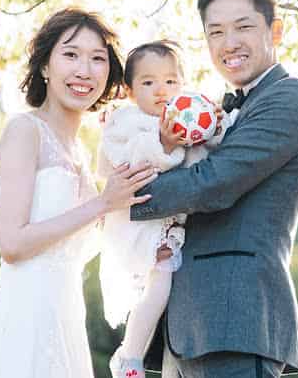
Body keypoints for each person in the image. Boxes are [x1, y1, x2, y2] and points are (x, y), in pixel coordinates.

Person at [131, 0, 298, 378]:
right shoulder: (217, 110)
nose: (229, 43)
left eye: (243, 27)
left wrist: (123, 198)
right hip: (188, 326)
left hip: (236, 321)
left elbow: (213, 184)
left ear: (275, 31)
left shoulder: (290, 96)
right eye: (216, 32)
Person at [0, 8, 159, 378]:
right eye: (71, 54)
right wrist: (103, 203)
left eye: (97, 59)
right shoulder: (25, 131)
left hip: (67, 325)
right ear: (45, 66)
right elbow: (12, 244)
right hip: (23, 326)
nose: (84, 70)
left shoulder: (82, 153)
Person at [98, 41, 216, 378]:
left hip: (167, 225)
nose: (161, 90)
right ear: (130, 91)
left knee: (158, 291)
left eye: (170, 81)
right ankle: (130, 356)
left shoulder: (188, 115)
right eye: (148, 82)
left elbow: (204, 160)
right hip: (136, 223)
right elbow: (128, 163)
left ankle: (130, 355)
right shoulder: (125, 122)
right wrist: (163, 143)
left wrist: (217, 125)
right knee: (147, 288)